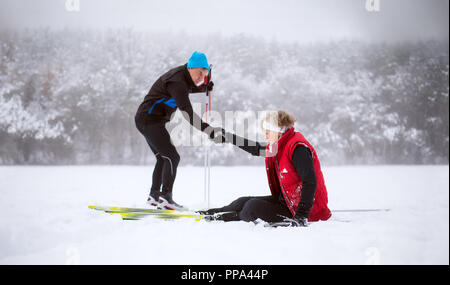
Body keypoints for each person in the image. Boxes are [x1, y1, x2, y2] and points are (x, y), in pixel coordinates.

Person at [200, 110, 332, 226]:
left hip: (303, 210)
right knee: (243, 201)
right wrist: (228, 137)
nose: (266, 136)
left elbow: (310, 181)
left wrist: (301, 216)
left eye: (268, 132)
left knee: (252, 207)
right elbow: (256, 148)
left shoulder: (298, 148)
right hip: (287, 201)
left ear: (278, 131)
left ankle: (225, 218)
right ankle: (211, 213)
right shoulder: (279, 146)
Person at [135, 51, 223, 210]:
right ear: (191, 67)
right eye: (199, 73)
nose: (201, 77)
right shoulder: (177, 81)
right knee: (172, 157)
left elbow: (186, 89)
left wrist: (204, 87)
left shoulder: (183, 78)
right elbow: (187, 112)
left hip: (149, 120)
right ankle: (166, 199)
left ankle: (154, 197)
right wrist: (207, 129)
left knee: (164, 158)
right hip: (149, 120)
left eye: (204, 75)